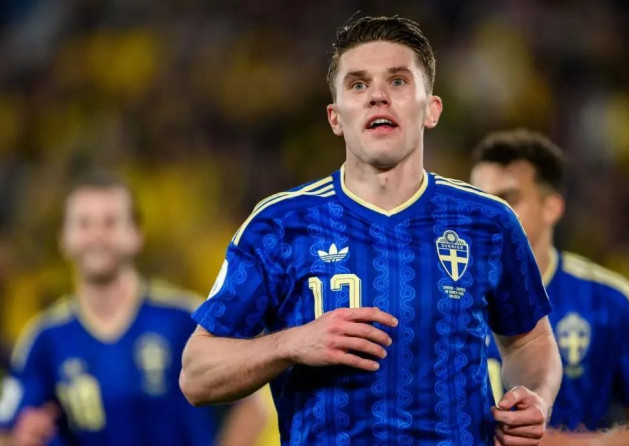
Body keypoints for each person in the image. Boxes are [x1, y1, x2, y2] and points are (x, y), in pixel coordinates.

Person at [180, 16, 562, 446]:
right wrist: (292, 344)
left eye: (398, 81)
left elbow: (528, 341)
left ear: (431, 109)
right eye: (358, 84)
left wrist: (536, 397)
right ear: (335, 117)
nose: (378, 96)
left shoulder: (488, 222)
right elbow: (197, 374)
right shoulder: (279, 226)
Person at [0, 171, 267, 446]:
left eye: (110, 222)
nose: (97, 235)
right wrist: (20, 439)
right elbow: (7, 430)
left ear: (136, 235)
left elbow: (251, 408)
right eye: (84, 223)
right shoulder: (44, 339)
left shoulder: (185, 318)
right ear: (64, 238)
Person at [470, 129, 629, 445]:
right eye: (478, 199)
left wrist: (566, 444)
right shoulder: (439, 294)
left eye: (507, 199)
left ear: (551, 207)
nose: (489, 213)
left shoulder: (608, 300)